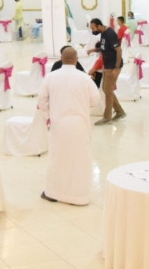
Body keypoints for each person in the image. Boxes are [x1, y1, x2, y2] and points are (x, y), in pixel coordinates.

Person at [37, 46, 101, 206]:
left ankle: (54, 193)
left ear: (61, 59)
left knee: (58, 158)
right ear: (76, 60)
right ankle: (79, 196)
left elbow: (42, 101)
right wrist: (84, 110)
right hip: (80, 124)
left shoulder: (50, 77)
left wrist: (49, 116)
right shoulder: (85, 78)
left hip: (59, 124)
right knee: (80, 159)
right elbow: (96, 99)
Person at [87, 18, 125, 123]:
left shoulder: (110, 33)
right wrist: (94, 50)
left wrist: (116, 68)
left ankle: (107, 117)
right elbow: (105, 47)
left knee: (108, 91)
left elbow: (119, 50)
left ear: (99, 26)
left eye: (93, 28)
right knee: (106, 89)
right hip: (107, 65)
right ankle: (119, 112)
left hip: (113, 66)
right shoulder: (103, 33)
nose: (93, 31)